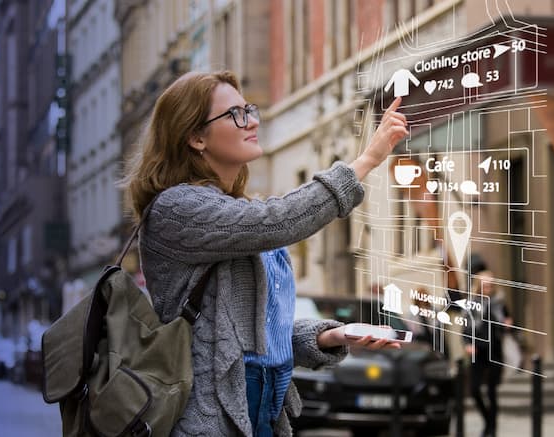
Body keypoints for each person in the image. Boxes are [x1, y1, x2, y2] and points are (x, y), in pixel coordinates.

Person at [121, 70, 408, 436]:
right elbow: (277, 221)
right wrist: (366, 160)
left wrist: (333, 336)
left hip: (263, 409)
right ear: (195, 137)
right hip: (207, 417)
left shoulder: (234, 211)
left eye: (249, 109)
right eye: (235, 115)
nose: (252, 121)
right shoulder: (177, 208)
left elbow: (250, 335)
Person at [463, 269, 513, 437]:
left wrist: (507, 323)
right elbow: (465, 327)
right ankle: (487, 422)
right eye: (485, 286)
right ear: (479, 286)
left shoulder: (499, 302)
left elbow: (508, 322)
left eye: (490, 286)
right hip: (478, 350)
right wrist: (467, 344)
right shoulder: (471, 304)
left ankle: (491, 430)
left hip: (495, 350)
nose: (488, 289)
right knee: (474, 389)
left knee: (492, 391)